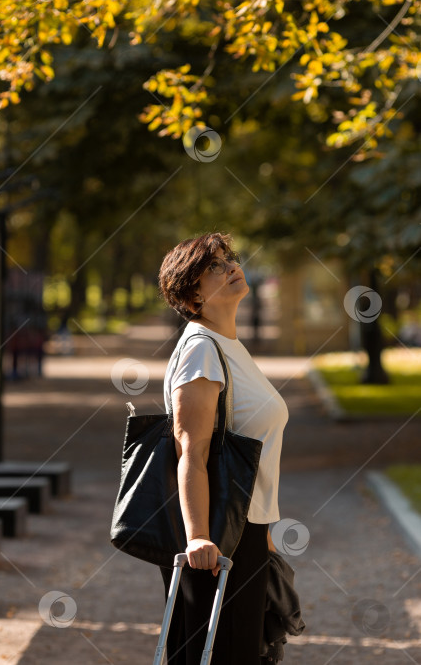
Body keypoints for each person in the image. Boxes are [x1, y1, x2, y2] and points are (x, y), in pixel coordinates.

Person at [157, 232, 290, 665]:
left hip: (244, 529)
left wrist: (264, 532)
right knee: (217, 654)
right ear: (192, 294)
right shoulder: (200, 350)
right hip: (216, 537)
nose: (231, 266)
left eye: (228, 258)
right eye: (214, 266)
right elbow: (189, 451)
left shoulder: (228, 346)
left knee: (238, 652)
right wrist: (198, 537)